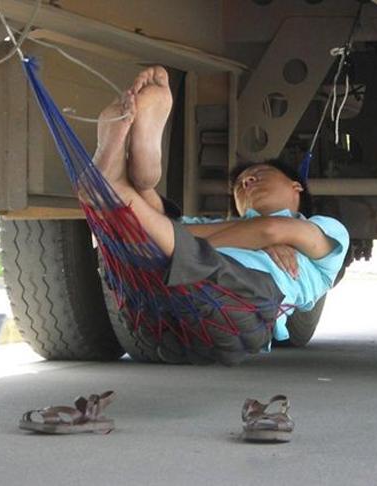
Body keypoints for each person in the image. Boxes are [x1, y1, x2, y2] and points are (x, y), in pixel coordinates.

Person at [92, 66, 349, 363]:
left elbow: (272, 230)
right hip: (163, 309)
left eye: (258, 174)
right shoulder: (223, 225)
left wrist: (188, 247)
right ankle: (143, 169)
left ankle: (113, 189)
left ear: (296, 187)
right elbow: (162, 224)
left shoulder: (327, 230)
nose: (247, 181)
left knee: (152, 234)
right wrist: (187, 240)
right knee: (149, 219)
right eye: (240, 184)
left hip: (243, 305)